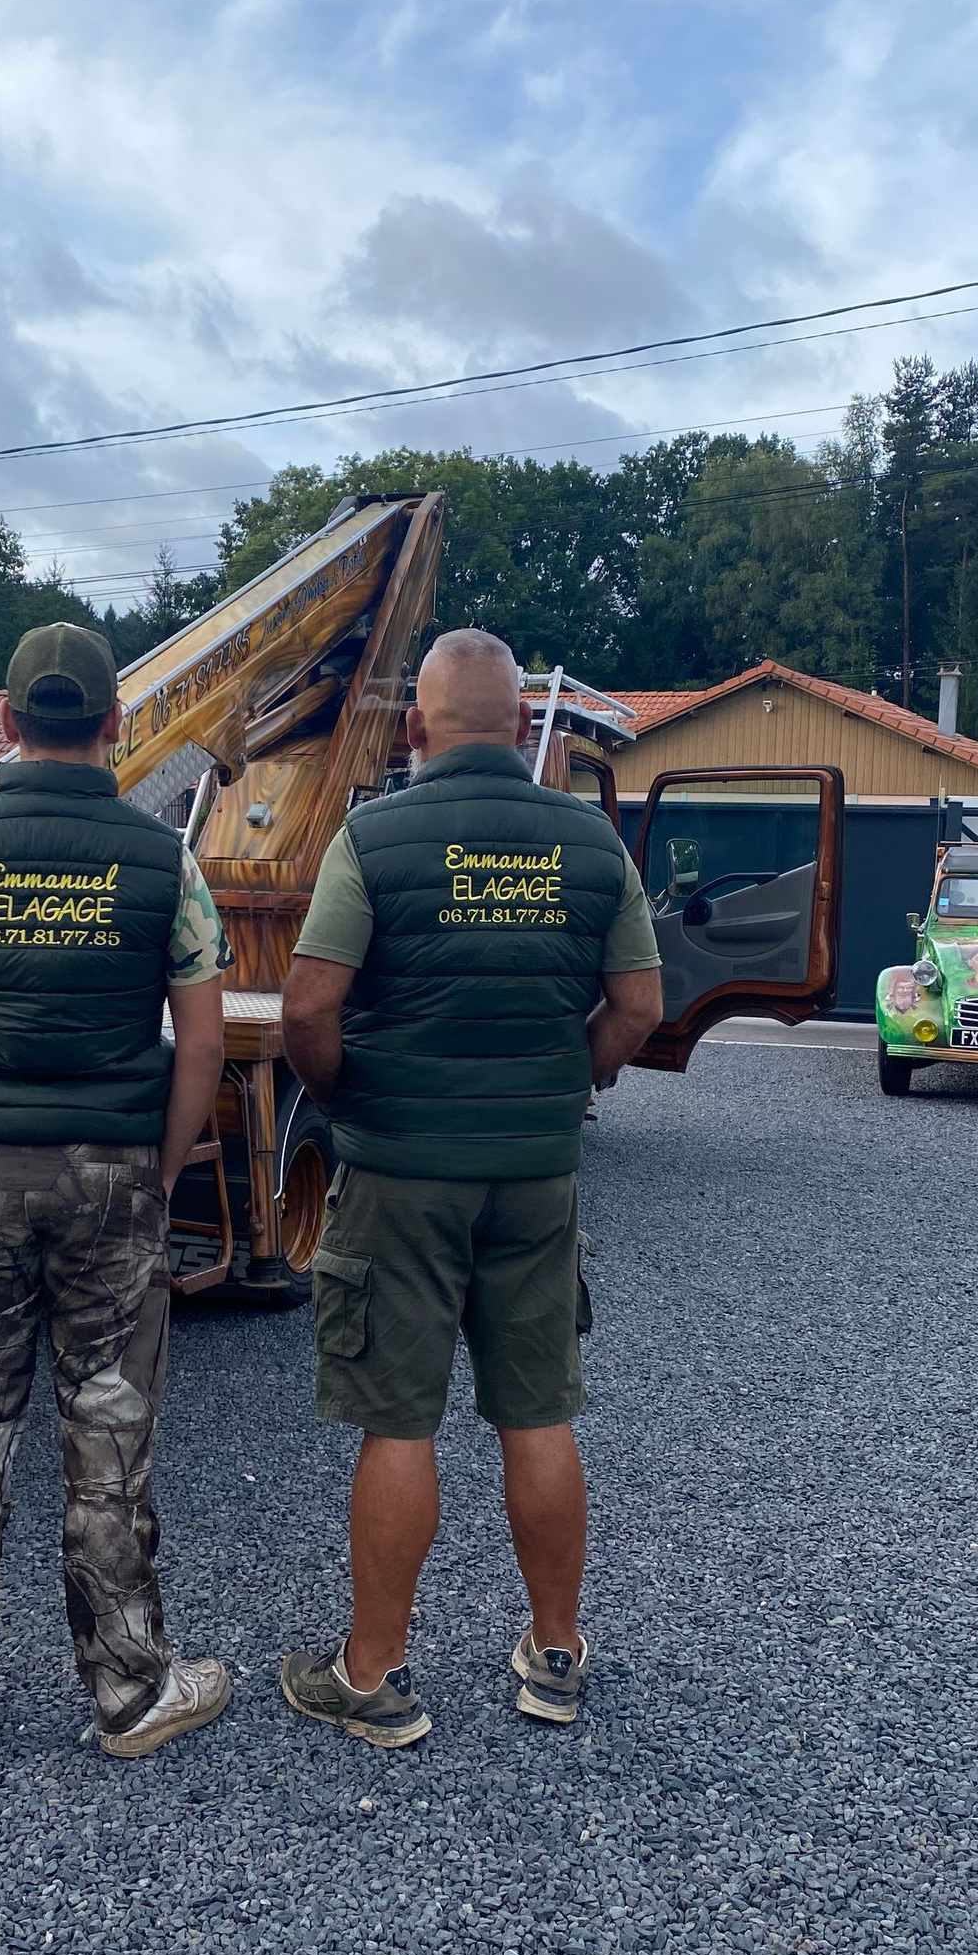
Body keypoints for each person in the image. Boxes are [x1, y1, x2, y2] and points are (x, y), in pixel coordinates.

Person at [278, 629, 663, 1747]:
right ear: (522, 730)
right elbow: (637, 1006)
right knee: (536, 1410)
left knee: (401, 1421)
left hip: (399, 1171)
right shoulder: (590, 841)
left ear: (418, 727)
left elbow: (307, 1008)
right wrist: (564, 1085)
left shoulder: (375, 834)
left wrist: (353, 1101)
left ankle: (375, 1679)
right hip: (534, 1176)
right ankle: (554, 1657)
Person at [0, 622, 232, 1758]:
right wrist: (160, 1168)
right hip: (115, 1173)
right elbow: (205, 1042)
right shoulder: (164, 859)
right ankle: (130, 1691)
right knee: (109, 1431)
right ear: (117, 725)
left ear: (10, 724)